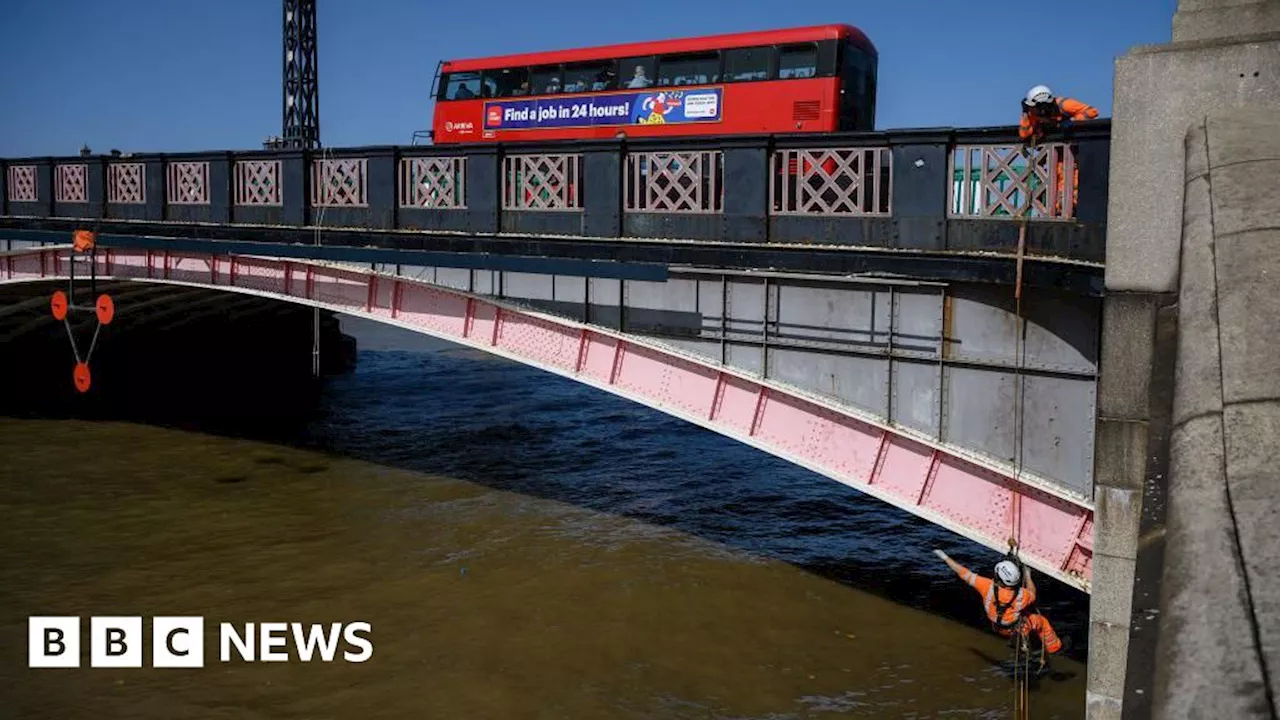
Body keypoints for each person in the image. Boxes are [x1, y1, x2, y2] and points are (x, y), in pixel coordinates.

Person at [933, 548, 1066, 658]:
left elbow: (964, 574)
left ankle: (1023, 644)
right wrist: (1028, 576)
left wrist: (945, 557)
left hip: (997, 627)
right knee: (1042, 622)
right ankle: (1055, 648)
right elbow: (1032, 594)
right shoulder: (1021, 595)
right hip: (1017, 629)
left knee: (1019, 614)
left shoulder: (986, 586)